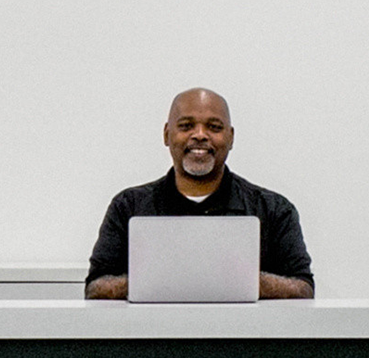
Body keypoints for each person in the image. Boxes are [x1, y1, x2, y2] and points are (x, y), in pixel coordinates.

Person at [85, 87, 313, 299]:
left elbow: (304, 289)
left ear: (231, 137)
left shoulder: (273, 209)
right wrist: (162, 279)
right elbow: (95, 288)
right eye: (186, 126)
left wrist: (244, 281)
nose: (200, 135)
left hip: (241, 339)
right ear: (166, 134)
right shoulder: (128, 206)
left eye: (214, 127)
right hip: (155, 338)